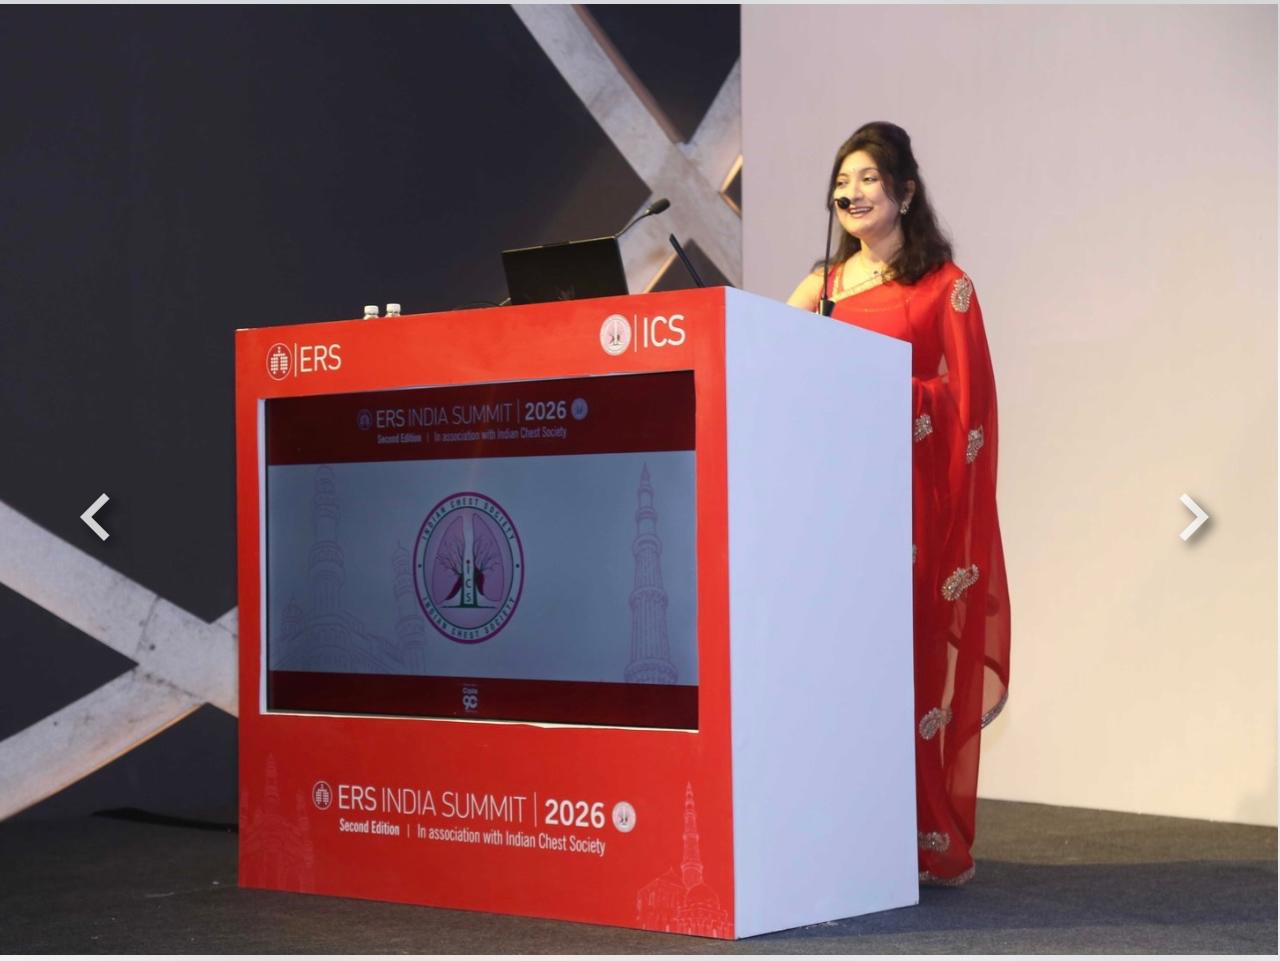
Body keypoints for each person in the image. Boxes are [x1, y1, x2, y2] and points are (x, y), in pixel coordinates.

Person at [789, 121, 1010, 886]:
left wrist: (895, 391)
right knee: (835, 669)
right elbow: (769, 351)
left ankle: (915, 832)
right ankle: (840, 830)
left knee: (901, 665)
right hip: (832, 504)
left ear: (905, 192)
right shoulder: (822, 286)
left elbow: (970, 406)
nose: (850, 193)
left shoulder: (945, 285)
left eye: (868, 179)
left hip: (907, 507)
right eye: (841, 181)